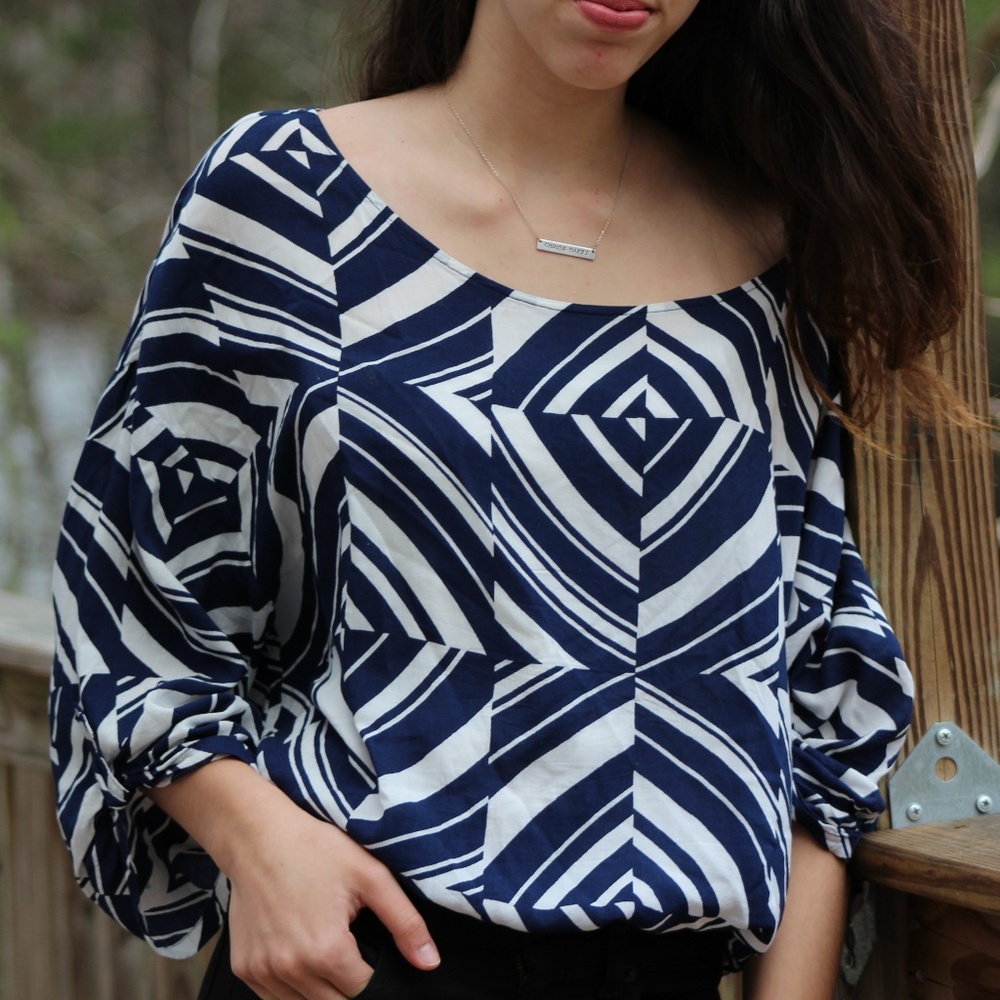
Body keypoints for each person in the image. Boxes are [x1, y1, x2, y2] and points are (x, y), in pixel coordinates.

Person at [49, 1, 964, 998]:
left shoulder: (767, 252)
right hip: (374, 959)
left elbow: (816, 687)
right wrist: (258, 840)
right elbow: (128, 586)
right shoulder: (288, 198)